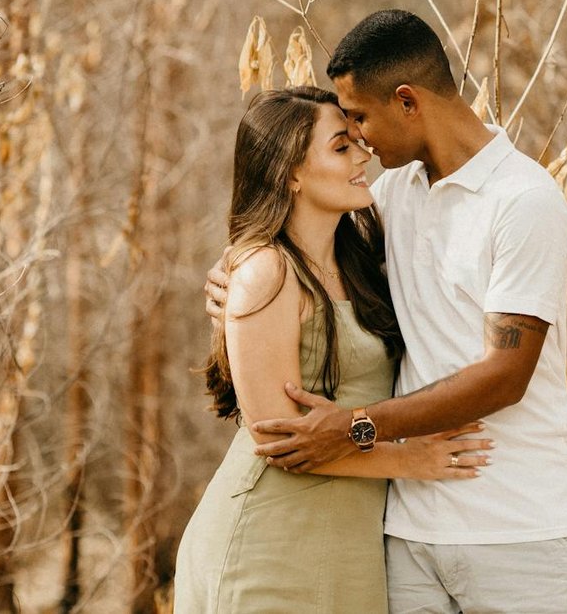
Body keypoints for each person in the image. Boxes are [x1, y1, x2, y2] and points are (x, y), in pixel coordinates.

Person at [206, 10, 567, 614]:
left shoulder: (523, 204)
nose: (359, 138)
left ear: (408, 100)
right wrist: (233, 278)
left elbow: (506, 375)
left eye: (360, 118)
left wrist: (357, 424)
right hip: (408, 535)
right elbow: (299, 260)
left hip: (523, 530)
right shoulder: (391, 196)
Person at [174, 85, 493, 614]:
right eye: (340, 147)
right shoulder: (267, 273)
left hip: (348, 545)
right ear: (290, 173)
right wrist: (410, 458)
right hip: (268, 545)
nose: (363, 157)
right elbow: (282, 441)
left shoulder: (362, 264)